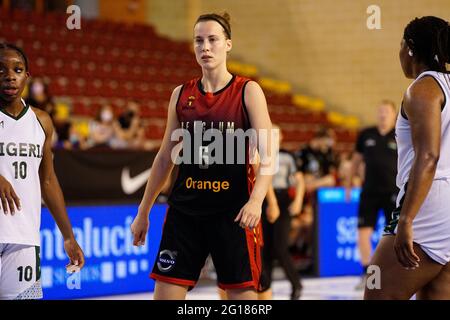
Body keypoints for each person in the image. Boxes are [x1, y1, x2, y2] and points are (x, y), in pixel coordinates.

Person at [130, 13, 274, 300]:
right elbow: (164, 159)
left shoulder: (248, 91)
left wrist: (256, 201)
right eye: (199, 41)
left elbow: (269, 155)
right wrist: (143, 212)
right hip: (185, 212)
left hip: (233, 213)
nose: (205, 47)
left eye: (213, 40)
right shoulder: (180, 95)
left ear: (228, 44)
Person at [365, 16, 450, 300]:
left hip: (429, 201)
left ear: (410, 48)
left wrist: (406, 220)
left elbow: (428, 156)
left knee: (377, 292)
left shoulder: (423, 88)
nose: (399, 53)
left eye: (400, 45)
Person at [0, 43, 85, 300]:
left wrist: (68, 236)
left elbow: (47, 180)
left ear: (27, 75)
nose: (10, 75)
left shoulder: (41, 121)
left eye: (17, 69)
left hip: (23, 238)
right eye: (1, 70)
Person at [348, 101, 398, 289]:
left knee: (392, 236)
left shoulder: (400, 133)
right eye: (381, 111)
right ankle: (368, 275)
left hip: (393, 192)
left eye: (387, 112)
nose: (383, 115)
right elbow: (355, 161)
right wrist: (347, 184)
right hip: (369, 192)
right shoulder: (366, 134)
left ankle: (392, 275)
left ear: (394, 115)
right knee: (363, 232)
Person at [259, 125, 304, 300]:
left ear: (281, 137)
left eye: (275, 134)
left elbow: (299, 180)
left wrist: (298, 200)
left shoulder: (287, 156)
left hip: (282, 199)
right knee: (265, 248)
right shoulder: (260, 154)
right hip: (263, 200)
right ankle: (266, 288)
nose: (272, 137)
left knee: (280, 247)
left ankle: (296, 284)